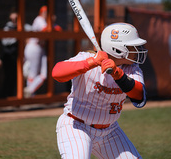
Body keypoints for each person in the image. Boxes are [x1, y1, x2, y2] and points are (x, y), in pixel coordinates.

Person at [52, 22, 148, 159]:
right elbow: (57, 73)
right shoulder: (87, 58)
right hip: (76, 126)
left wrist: (118, 74)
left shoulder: (131, 68)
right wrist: (91, 63)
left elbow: (139, 97)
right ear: (118, 49)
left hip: (110, 131)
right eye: (133, 46)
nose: (138, 49)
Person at [23, 6, 62, 98]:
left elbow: (59, 29)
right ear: (41, 13)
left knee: (44, 74)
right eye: (45, 12)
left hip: (40, 48)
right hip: (34, 47)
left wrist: (52, 23)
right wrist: (52, 24)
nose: (46, 14)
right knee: (33, 73)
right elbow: (45, 29)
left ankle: (29, 90)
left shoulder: (47, 22)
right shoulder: (39, 19)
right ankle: (30, 94)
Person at [1, 11, 18, 97]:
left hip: (15, 56)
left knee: (14, 77)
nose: (15, 20)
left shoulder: (19, 27)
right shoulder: (7, 27)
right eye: (13, 19)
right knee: (8, 76)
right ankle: (6, 96)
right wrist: (15, 39)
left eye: (16, 19)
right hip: (8, 56)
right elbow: (4, 42)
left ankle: (12, 95)